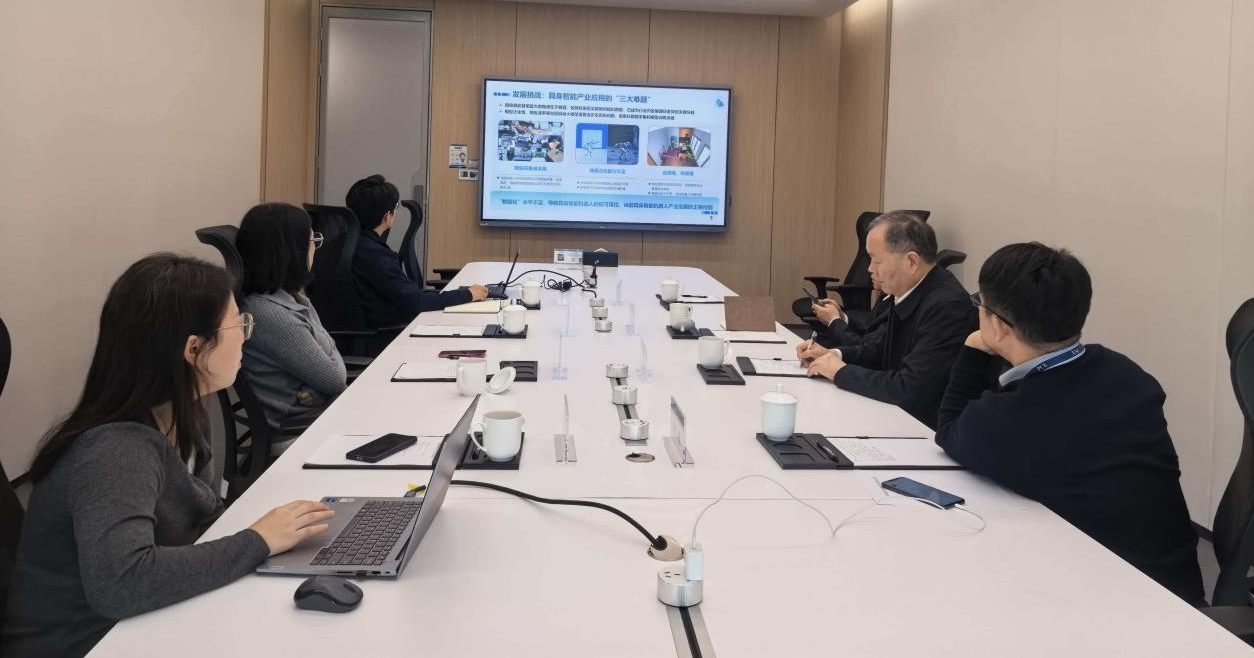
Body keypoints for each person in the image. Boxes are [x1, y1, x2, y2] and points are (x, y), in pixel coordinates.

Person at [2, 254, 333, 658]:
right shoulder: (114, 452)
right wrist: (258, 541)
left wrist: (283, 538)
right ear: (194, 349)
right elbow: (122, 583)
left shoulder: (186, 415)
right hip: (90, 643)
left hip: (149, 623)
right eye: (239, 325)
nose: (247, 337)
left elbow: (203, 521)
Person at [935, 242, 1204, 604]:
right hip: (1177, 591)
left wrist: (972, 349)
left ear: (997, 326)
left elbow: (949, 428)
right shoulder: (1128, 375)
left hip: (1108, 605)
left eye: (979, 303)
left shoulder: (1006, 421)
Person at [798, 211, 976, 428]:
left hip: (924, 430)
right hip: (898, 417)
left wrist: (839, 371)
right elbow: (880, 350)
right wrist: (834, 354)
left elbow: (909, 389)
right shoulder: (911, 290)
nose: (870, 269)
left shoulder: (947, 307)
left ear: (911, 261)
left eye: (876, 260)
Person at [236, 203, 347, 443]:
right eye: (312, 241)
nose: (315, 249)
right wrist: (325, 387)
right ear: (293, 252)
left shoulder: (289, 298)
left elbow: (332, 364)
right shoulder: (271, 314)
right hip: (300, 435)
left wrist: (320, 390)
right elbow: (336, 378)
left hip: (318, 418)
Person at [345, 174, 488, 327]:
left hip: (360, 331)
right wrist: (468, 294)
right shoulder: (376, 256)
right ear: (387, 216)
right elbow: (415, 302)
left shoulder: (343, 245)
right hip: (388, 334)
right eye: (395, 207)